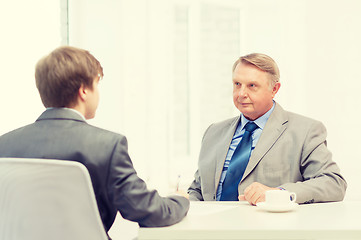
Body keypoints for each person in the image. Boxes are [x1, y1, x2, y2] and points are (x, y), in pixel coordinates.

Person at [0, 46, 189, 236]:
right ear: (84, 91)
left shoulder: (5, 145)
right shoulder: (107, 146)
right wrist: (180, 199)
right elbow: (148, 210)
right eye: (96, 85)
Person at [187, 53, 347, 205]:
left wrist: (279, 193)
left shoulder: (305, 131)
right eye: (237, 84)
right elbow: (197, 190)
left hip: (268, 231)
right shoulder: (213, 132)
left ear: (274, 89)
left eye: (252, 86)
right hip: (210, 231)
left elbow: (333, 183)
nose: (241, 93)